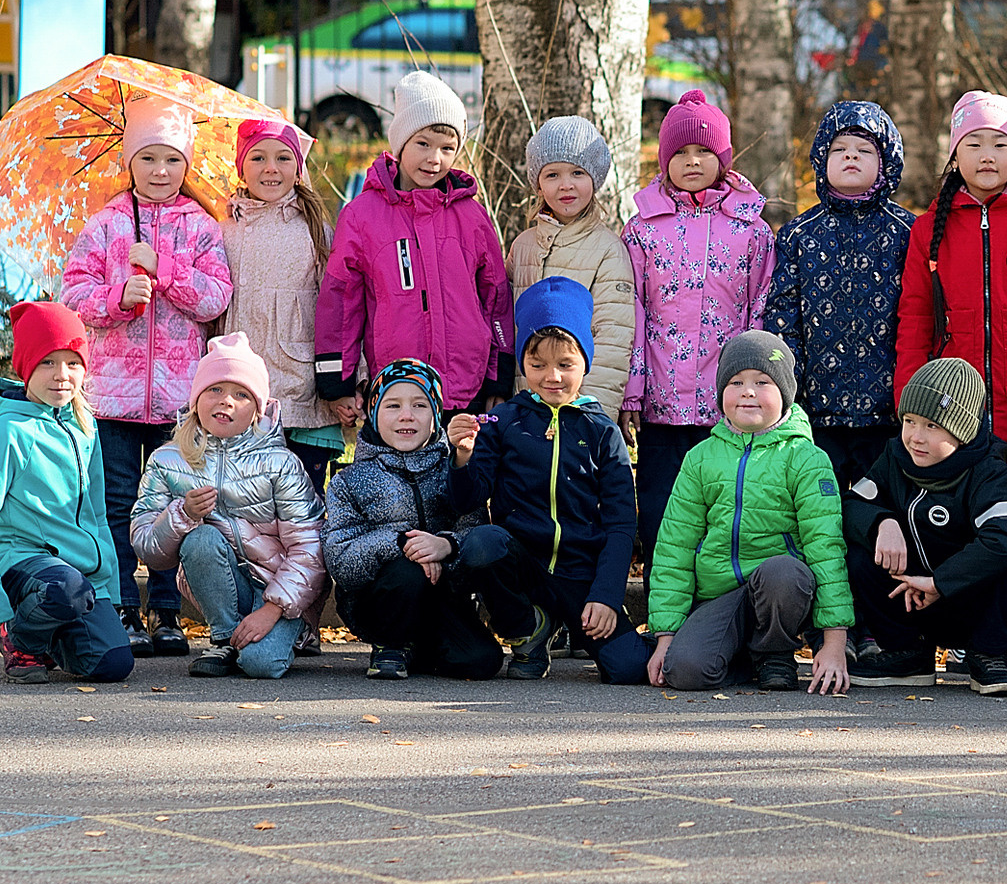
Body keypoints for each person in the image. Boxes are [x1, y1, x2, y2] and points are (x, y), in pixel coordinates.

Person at [60, 92, 236, 654]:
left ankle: (166, 609)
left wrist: (166, 271)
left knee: (173, 502)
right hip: (112, 397)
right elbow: (73, 294)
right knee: (115, 503)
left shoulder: (202, 227)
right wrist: (118, 296)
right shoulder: (107, 224)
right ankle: (120, 608)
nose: (160, 172)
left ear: (186, 165)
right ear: (129, 162)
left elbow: (215, 297)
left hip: (179, 400)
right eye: (148, 159)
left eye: (172, 160)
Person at [446, 278, 648, 683]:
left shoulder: (602, 432)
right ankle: (529, 630)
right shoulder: (504, 422)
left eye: (565, 364)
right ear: (523, 365)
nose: (552, 376)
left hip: (580, 575)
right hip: (525, 569)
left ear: (585, 363)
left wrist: (606, 595)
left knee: (629, 668)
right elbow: (468, 499)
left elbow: (621, 523)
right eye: (537, 365)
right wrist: (463, 456)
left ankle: (571, 622)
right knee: (482, 543)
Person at [643, 329, 853, 694]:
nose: (748, 391)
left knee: (784, 572)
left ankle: (775, 652)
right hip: (721, 595)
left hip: (780, 591)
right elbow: (674, 550)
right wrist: (666, 635)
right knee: (685, 672)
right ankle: (741, 655)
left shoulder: (806, 459)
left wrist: (834, 642)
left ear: (786, 394)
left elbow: (826, 547)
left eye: (763, 382)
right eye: (736, 381)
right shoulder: (701, 459)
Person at [622, 87, 775, 565]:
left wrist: (754, 390)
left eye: (704, 151)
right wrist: (632, 391)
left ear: (723, 159)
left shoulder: (750, 229)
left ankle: (719, 622)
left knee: (724, 514)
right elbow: (632, 311)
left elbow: (760, 313)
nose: (692, 161)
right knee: (663, 512)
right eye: (681, 152)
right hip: (661, 404)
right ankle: (665, 620)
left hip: (725, 403)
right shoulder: (643, 228)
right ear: (665, 158)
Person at [313, 74, 513, 437]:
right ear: (401, 142)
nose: (434, 159)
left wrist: (498, 379)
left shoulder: (472, 217)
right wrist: (337, 381)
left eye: (447, 148)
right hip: (397, 391)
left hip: (464, 387)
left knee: (462, 487)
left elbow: (495, 299)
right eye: (423, 143)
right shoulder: (362, 216)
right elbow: (341, 301)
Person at [0, 301, 133, 684]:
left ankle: (48, 634)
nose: (62, 375)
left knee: (114, 664)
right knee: (65, 590)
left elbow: (97, 515)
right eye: (47, 363)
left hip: (77, 575)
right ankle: (20, 638)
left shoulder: (85, 428)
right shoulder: (8, 432)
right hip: (23, 561)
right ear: (26, 368)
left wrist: (108, 587)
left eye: (72, 363)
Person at [131, 338, 326, 681]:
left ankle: (284, 632)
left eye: (241, 394)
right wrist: (182, 515)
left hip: (279, 592)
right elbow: (148, 547)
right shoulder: (167, 460)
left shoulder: (280, 464)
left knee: (260, 665)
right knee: (200, 538)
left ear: (258, 408)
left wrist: (272, 609)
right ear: (195, 401)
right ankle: (224, 636)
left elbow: (310, 548)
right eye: (215, 389)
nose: (226, 401)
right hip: (223, 587)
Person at [841, 356, 1007, 695]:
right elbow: (853, 504)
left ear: (961, 431)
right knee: (860, 553)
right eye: (910, 421)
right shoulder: (894, 459)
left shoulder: (987, 471)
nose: (916, 437)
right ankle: (907, 653)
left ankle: (988, 654)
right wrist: (881, 522)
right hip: (912, 601)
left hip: (969, 603)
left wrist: (940, 583)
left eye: (932, 426)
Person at [895, 89, 1007, 448]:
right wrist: (910, 400)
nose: (987, 157)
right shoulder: (928, 229)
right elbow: (914, 322)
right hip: (948, 411)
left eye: (1000, 145)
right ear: (955, 155)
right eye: (974, 145)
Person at [221, 114, 339, 651]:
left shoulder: (317, 229)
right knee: (251, 512)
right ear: (241, 166)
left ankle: (306, 617)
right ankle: (257, 613)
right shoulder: (225, 226)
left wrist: (344, 382)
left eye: (283, 158)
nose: (271, 169)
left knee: (303, 513)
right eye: (259, 158)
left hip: (304, 391)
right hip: (244, 392)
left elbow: (338, 307)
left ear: (300, 166)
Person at [762, 96, 915, 488]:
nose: (851, 157)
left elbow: (920, 314)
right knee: (821, 501)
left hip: (888, 410)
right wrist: (788, 391)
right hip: (817, 407)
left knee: (878, 502)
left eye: (865, 150)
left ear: (886, 162)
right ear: (821, 160)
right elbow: (783, 318)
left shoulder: (907, 232)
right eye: (839, 149)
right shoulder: (799, 234)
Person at [322, 358, 506, 681]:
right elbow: (340, 558)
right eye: (393, 405)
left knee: (482, 661)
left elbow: (474, 527)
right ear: (375, 413)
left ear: (435, 416)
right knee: (408, 573)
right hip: (380, 599)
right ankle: (391, 643)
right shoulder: (350, 480)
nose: (406, 415)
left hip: (441, 594)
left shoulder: (452, 469)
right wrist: (402, 543)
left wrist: (445, 545)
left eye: (419, 405)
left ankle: (419, 648)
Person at [506, 115, 636, 422]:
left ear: (595, 178)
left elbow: (611, 341)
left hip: (578, 414)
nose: (566, 185)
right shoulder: (523, 247)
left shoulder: (608, 250)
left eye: (577, 172)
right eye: (552, 175)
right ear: (537, 183)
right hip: (524, 410)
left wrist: (591, 417)